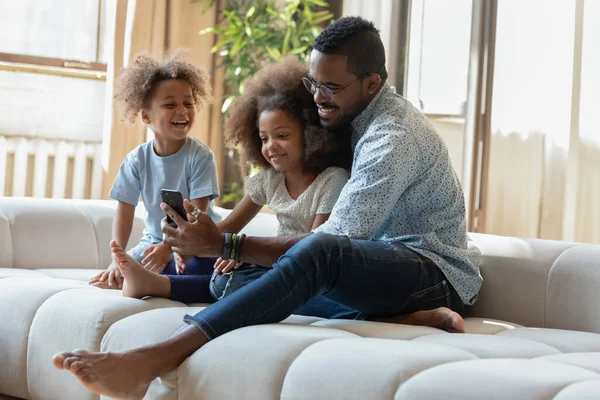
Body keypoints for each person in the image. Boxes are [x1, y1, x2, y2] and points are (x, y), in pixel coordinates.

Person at [53, 17, 482, 400]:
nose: (318, 98)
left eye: (331, 88)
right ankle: (407, 317)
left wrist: (227, 243)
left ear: (372, 84)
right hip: (375, 274)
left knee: (317, 253)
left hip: (431, 271)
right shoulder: (348, 120)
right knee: (235, 285)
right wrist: (226, 252)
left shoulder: (392, 137)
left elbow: (332, 242)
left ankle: (154, 358)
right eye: (314, 84)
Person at [115, 57, 352, 311]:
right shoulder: (268, 179)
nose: (271, 146)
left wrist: (241, 252)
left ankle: (158, 285)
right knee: (212, 267)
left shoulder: (332, 180)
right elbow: (227, 227)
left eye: (282, 136)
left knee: (236, 280)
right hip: (275, 263)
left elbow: (312, 250)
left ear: (311, 132)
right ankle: (155, 281)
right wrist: (197, 246)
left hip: (305, 271)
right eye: (263, 138)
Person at [88, 50, 220, 303]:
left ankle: (157, 280)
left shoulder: (200, 156)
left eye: (188, 103)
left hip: (196, 242)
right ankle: (149, 278)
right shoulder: (136, 160)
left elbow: (197, 215)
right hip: (154, 242)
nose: (182, 110)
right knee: (126, 268)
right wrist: (118, 258)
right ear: (146, 116)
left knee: (204, 267)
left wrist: (169, 248)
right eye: (170, 104)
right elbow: (124, 212)